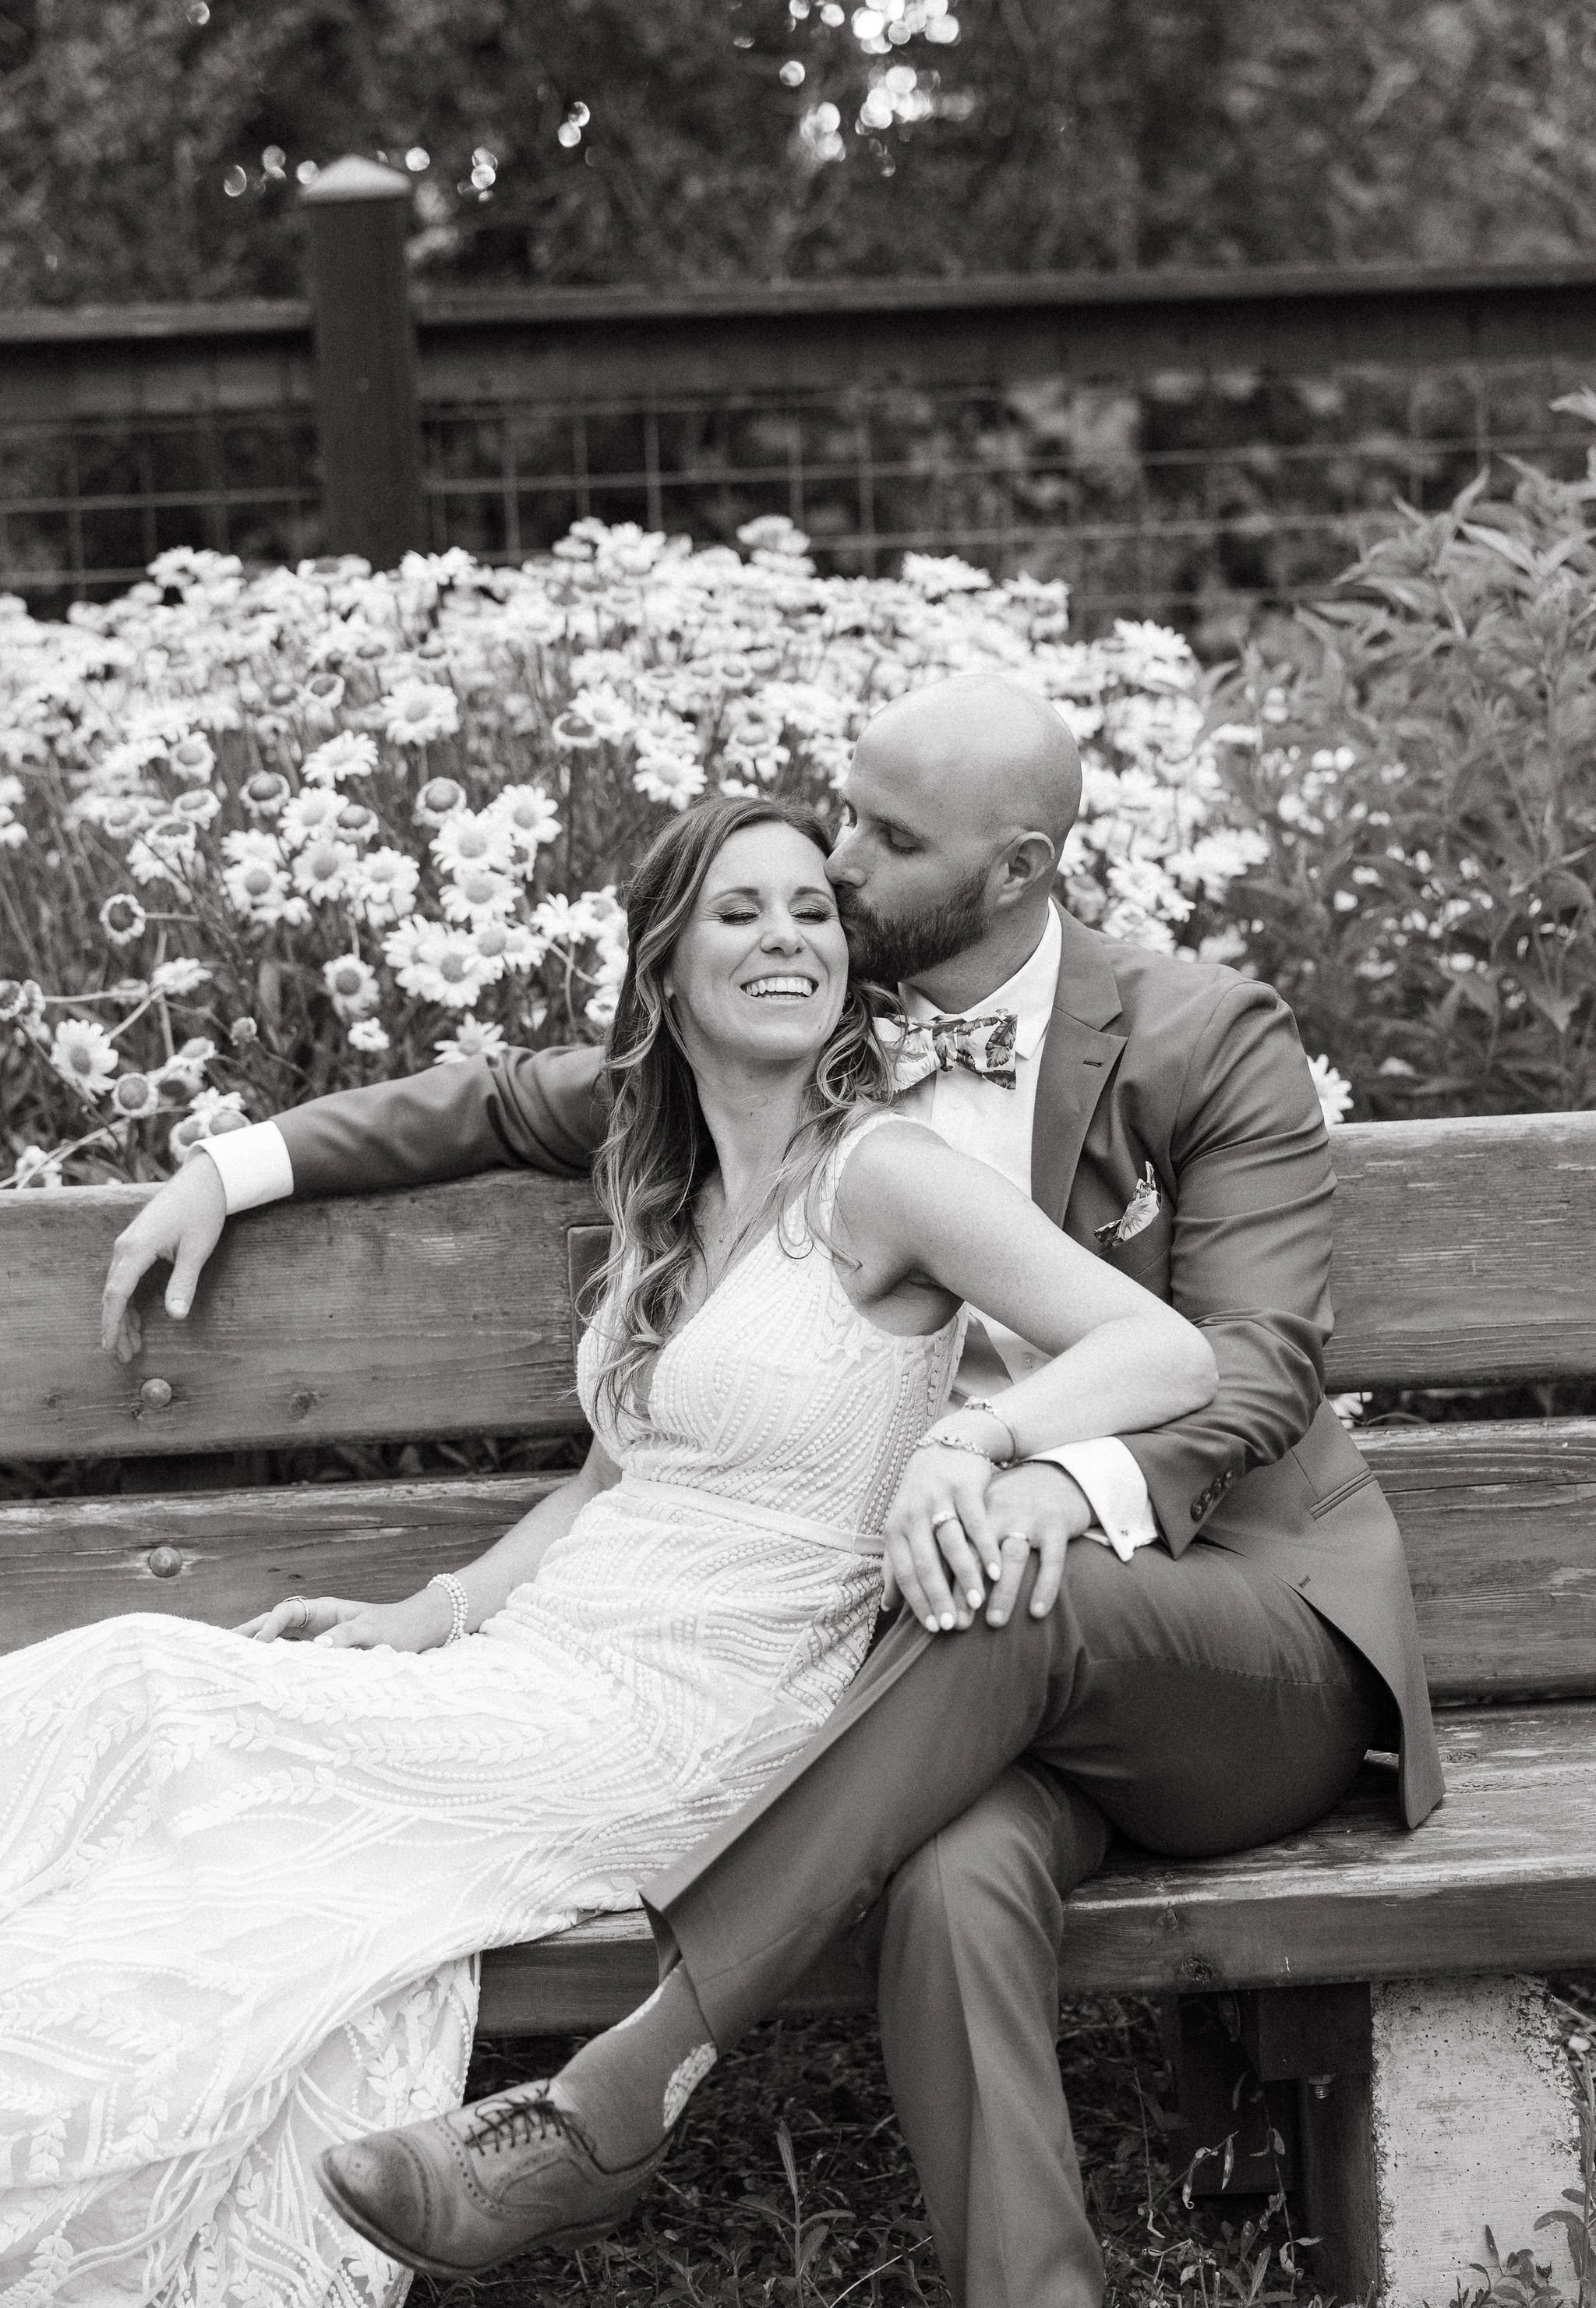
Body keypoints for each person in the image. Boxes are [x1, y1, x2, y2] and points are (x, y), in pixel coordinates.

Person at [100, 674, 1445, 2308]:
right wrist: (231, 1163)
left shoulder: (1197, 1034)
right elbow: (516, 1098)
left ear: (1015, 868)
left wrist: (1042, 1466)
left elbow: (1252, 1359)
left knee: (1038, 1585)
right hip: (938, 1675)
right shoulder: (818, 1049)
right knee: (953, 1888)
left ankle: (624, 2084)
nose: (840, 856)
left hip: (1233, 1626)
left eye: (881, 838)